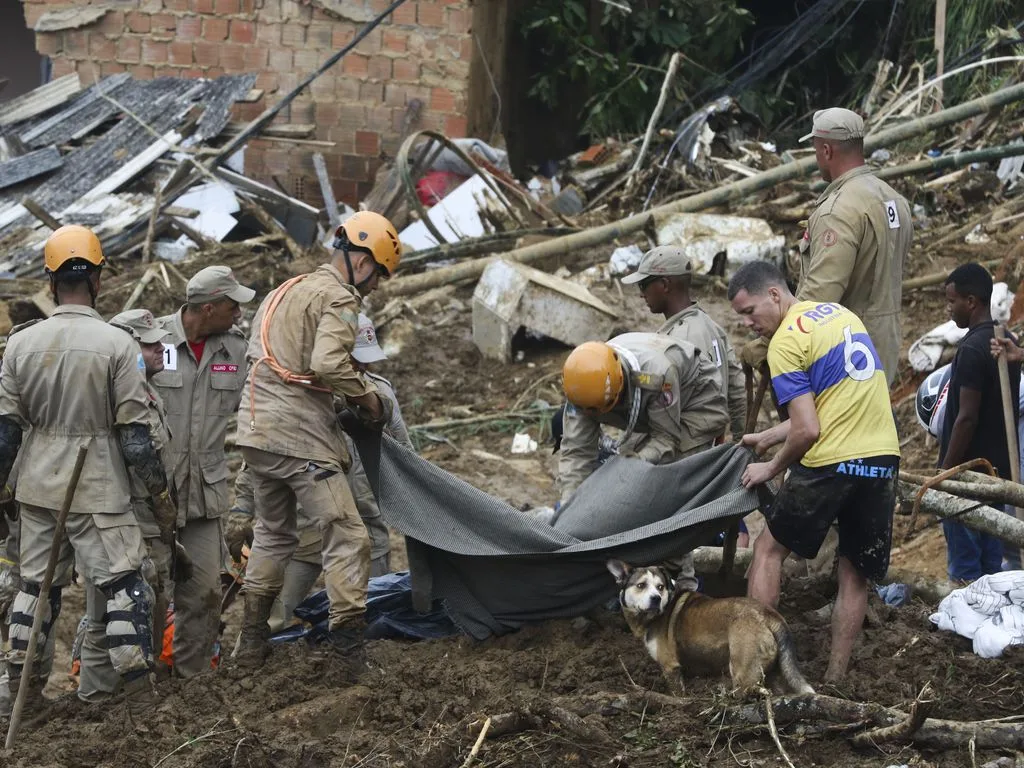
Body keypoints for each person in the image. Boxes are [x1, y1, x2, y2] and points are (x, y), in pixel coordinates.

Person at [0, 226, 174, 712]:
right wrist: (159, 496)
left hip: (38, 486)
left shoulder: (20, 344)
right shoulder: (118, 345)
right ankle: (139, 702)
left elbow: (5, 431)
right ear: (96, 280)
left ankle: (24, 701)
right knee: (124, 586)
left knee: (34, 591)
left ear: (51, 281)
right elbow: (135, 437)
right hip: (99, 485)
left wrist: (1, 490)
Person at [234, 211, 401, 667]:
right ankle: (348, 651)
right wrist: (368, 401)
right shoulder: (338, 298)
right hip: (300, 440)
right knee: (349, 536)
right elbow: (328, 363)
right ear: (364, 262)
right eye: (378, 276)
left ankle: (251, 644)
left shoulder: (282, 292)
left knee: (272, 535)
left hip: (256, 434)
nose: (374, 287)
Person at [728, 261, 899, 681]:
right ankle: (834, 682)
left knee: (768, 551)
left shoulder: (785, 342)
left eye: (750, 311)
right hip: (881, 458)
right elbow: (833, 402)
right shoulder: (839, 316)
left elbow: (808, 429)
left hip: (832, 460)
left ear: (774, 294)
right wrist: (768, 434)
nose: (749, 324)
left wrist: (771, 465)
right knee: (853, 574)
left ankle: (757, 672)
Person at [224, 313, 413, 631]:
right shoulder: (296, 397)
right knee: (275, 619)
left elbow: (406, 456)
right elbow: (258, 462)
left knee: (379, 613)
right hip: (308, 529)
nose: (363, 369)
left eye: (366, 361)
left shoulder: (378, 395)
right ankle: (253, 653)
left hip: (366, 526)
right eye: (355, 360)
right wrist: (242, 512)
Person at [558, 332, 728, 589]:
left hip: (695, 403)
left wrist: (626, 471)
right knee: (624, 485)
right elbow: (576, 453)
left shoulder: (657, 375)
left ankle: (681, 583)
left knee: (668, 492)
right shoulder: (581, 389)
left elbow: (665, 441)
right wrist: (570, 514)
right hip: (642, 412)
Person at [151, 266, 253, 678]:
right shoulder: (150, 341)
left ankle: (192, 683)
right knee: (150, 594)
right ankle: (144, 682)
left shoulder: (235, 350)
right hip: (153, 494)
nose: (239, 314)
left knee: (205, 594)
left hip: (205, 494)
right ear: (208, 308)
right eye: (233, 306)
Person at [796, 107, 913, 387]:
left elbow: (819, 298)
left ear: (826, 150)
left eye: (815, 151)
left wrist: (775, 341)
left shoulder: (837, 211)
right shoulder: (895, 200)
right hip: (885, 344)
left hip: (847, 353)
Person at [940, 264, 1021, 580]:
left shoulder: (974, 349)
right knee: (991, 569)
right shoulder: (1005, 339)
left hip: (968, 478)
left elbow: (966, 418)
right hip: (995, 475)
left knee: (966, 572)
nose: (949, 310)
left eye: (952, 301)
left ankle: (964, 627)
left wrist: (944, 472)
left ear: (971, 301)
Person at [622, 246, 746, 437]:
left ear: (664, 284)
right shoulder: (711, 326)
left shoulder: (678, 342)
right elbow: (738, 391)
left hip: (684, 452)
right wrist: (740, 442)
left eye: (643, 285)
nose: (641, 294)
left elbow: (663, 409)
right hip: (708, 445)